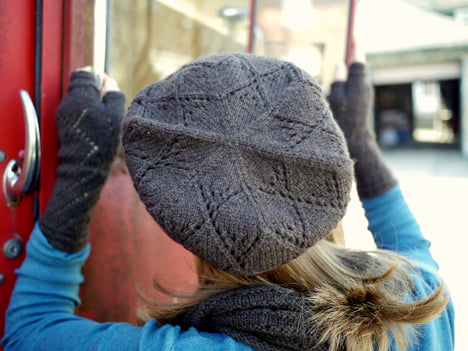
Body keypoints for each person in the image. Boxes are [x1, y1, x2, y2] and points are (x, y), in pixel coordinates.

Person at [2, 51, 454, 351]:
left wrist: (81, 175)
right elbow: (413, 248)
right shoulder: (422, 304)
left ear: (186, 228)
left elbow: (28, 330)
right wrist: (361, 142)